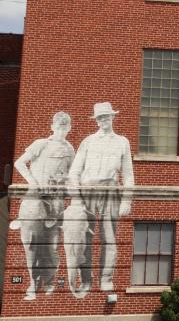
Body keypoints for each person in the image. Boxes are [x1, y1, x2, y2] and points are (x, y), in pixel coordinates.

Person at [67, 102, 134, 294]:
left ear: (113, 117)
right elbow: (74, 172)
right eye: (99, 118)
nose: (103, 120)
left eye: (106, 116)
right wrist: (76, 199)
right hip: (87, 191)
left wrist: (127, 200)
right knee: (84, 238)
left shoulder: (122, 142)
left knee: (109, 238)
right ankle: (86, 279)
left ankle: (106, 279)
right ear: (96, 121)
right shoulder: (88, 141)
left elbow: (128, 174)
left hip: (110, 191)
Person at [12, 111, 75, 301]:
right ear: (52, 127)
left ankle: (48, 281)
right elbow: (19, 163)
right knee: (30, 243)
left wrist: (65, 183)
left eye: (65, 127)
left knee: (51, 246)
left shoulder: (70, 149)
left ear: (69, 129)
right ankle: (32, 283)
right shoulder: (41, 144)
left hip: (55, 204)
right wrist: (33, 183)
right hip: (35, 201)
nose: (61, 131)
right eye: (58, 127)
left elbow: (72, 175)